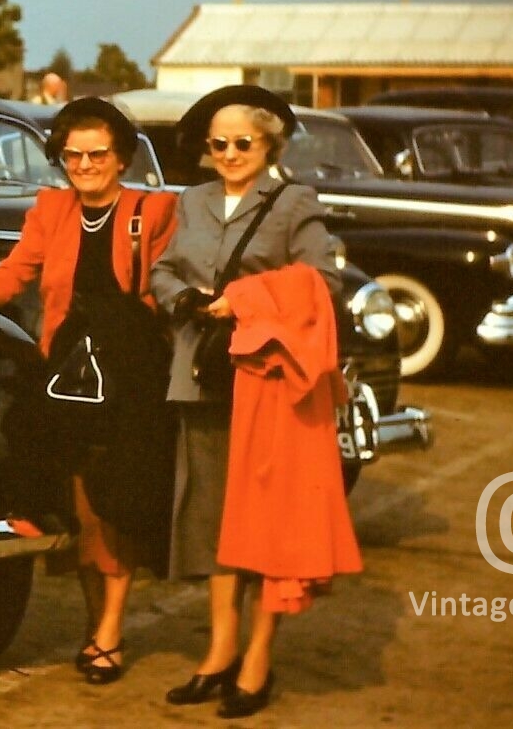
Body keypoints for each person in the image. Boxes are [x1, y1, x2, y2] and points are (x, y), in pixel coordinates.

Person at [0, 97, 176, 685]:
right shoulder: (50, 210)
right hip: (69, 376)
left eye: (97, 153)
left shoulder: (153, 212)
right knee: (79, 506)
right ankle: (97, 623)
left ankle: (109, 631)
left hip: (130, 378)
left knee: (114, 505)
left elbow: (174, 289)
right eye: (72, 154)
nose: (84, 164)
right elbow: (12, 276)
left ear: (121, 156)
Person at [149, 84, 359, 719]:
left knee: (270, 526)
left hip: (268, 383)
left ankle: (259, 659)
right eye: (219, 144)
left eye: (244, 142)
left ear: (268, 143)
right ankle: (218, 654)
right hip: (202, 373)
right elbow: (162, 270)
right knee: (212, 517)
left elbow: (322, 281)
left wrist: (243, 299)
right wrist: (181, 299)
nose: (231, 152)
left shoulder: (294, 201)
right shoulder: (193, 200)